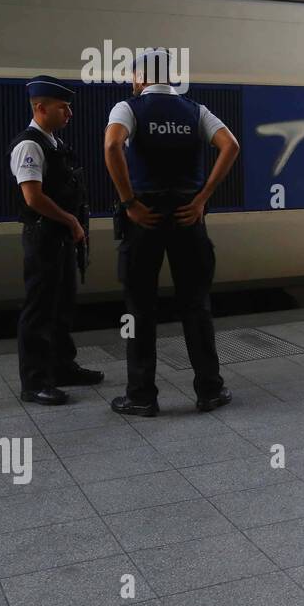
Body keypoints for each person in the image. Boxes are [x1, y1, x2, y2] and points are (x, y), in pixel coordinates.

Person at [103, 49, 240, 417]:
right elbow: (231, 146)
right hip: (187, 216)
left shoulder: (127, 109)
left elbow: (112, 145)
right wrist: (203, 198)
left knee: (140, 308)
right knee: (196, 305)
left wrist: (129, 200)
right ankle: (210, 390)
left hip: (144, 218)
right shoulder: (196, 111)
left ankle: (141, 396)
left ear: (140, 76)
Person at [9, 76, 104, 405]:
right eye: (63, 107)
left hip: (61, 237)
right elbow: (33, 197)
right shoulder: (29, 146)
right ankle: (34, 382)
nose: (70, 113)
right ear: (40, 107)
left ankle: (62, 367)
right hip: (44, 236)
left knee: (62, 304)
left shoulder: (54, 144)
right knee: (39, 309)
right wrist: (70, 220)